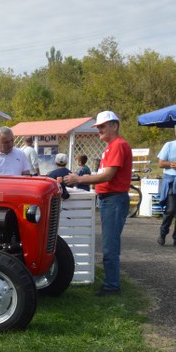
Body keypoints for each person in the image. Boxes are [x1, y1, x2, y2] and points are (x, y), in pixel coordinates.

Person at [63, 111, 132, 296]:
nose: (99, 130)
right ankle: (111, 283)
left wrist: (80, 179)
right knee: (109, 244)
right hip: (111, 199)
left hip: (113, 199)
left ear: (114, 126)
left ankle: (112, 286)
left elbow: (108, 175)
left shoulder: (117, 145)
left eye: (102, 126)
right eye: (98, 127)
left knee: (110, 245)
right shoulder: (113, 146)